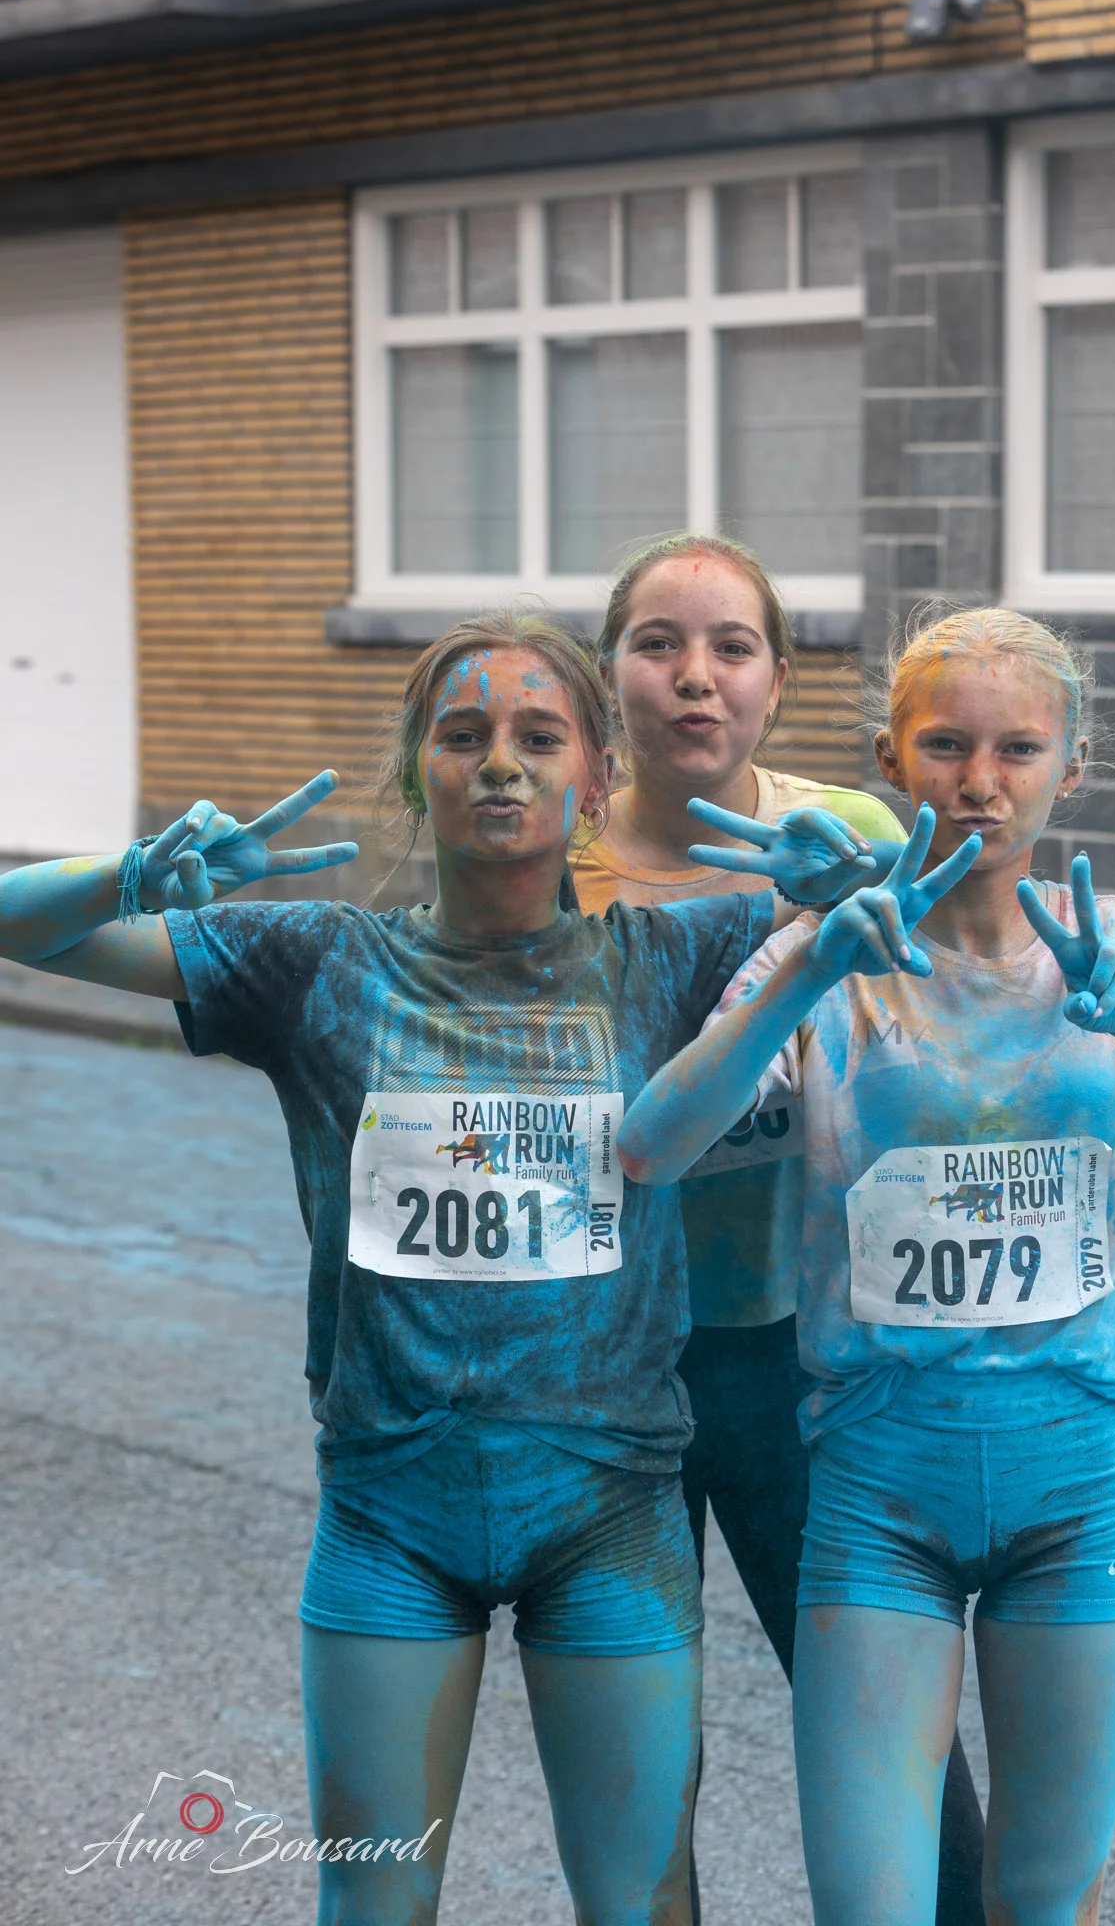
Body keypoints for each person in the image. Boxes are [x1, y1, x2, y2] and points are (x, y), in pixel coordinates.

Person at [0, 611, 878, 1926]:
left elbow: (909, 906)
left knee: (637, 1905)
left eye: (540, 737)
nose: (502, 763)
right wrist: (134, 873)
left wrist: (846, 866)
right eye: (463, 736)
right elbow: (16, 928)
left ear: (595, 777)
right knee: (373, 1908)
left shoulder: (675, 954)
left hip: (612, 1514)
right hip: (388, 1518)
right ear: (418, 774)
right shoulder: (315, 960)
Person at [618, 606, 1115, 1926]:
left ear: (1073, 764)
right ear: (892, 757)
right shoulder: (837, 953)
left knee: (1045, 1903)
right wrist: (803, 967)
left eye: (1018, 749)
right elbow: (651, 1148)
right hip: (877, 1496)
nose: (980, 781)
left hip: (1078, 1494)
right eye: (944, 745)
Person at [577, 532, 988, 1923]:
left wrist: (862, 906)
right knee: (642, 1770)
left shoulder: (855, 834)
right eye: (658, 644)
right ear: (612, 673)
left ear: (776, 679)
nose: (695, 676)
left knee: (889, 1736)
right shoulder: (555, 863)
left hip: (804, 1363)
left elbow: (968, 1034)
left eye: (731, 647)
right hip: (610, 1367)